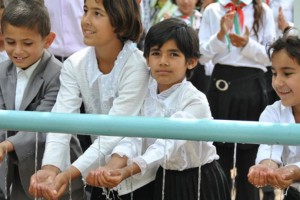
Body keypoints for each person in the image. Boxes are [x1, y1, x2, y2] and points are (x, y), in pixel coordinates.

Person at [86, 18, 231, 200]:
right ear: (146, 59)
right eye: (156, 53)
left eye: (173, 54)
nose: (163, 61)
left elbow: (167, 143)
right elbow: (135, 136)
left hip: (200, 180)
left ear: (192, 62)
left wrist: (128, 170)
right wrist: (113, 166)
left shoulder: (195, 100)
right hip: (164, 179)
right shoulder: (145, 93)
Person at [28, 0, 149, 199]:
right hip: (98, 175)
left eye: (97, 13)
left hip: (140, 177)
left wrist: (68, 174)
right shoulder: (75, 64)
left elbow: (116, 130)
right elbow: (62, 118)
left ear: (120, 19)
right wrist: (50, 168)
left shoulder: (137, 66)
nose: (85, 20)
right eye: (85, 11)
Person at [199, 0, 276, 200]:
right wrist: (220, 36)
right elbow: (201, 55)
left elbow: (271, 56)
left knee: (249, 159)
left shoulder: (264, 11)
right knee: (219, 157)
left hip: (252, 86)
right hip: (221, 85)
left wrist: (247, 45)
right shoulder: (213, 10)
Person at [0, 0, 64, 199]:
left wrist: (6, 145)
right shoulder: (2, 70)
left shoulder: (58, 74)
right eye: (10, 42)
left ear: (48, 40)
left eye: (27, 43)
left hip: (51, 172)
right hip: (13, 175)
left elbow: (43, 123)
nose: (18, 51)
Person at [248, 27, 300, 200]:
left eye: (287, 73)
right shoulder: (273, 112)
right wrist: (266, 168)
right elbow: (269, 149)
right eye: (274, 73)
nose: (278, 82)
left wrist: (293, 170)